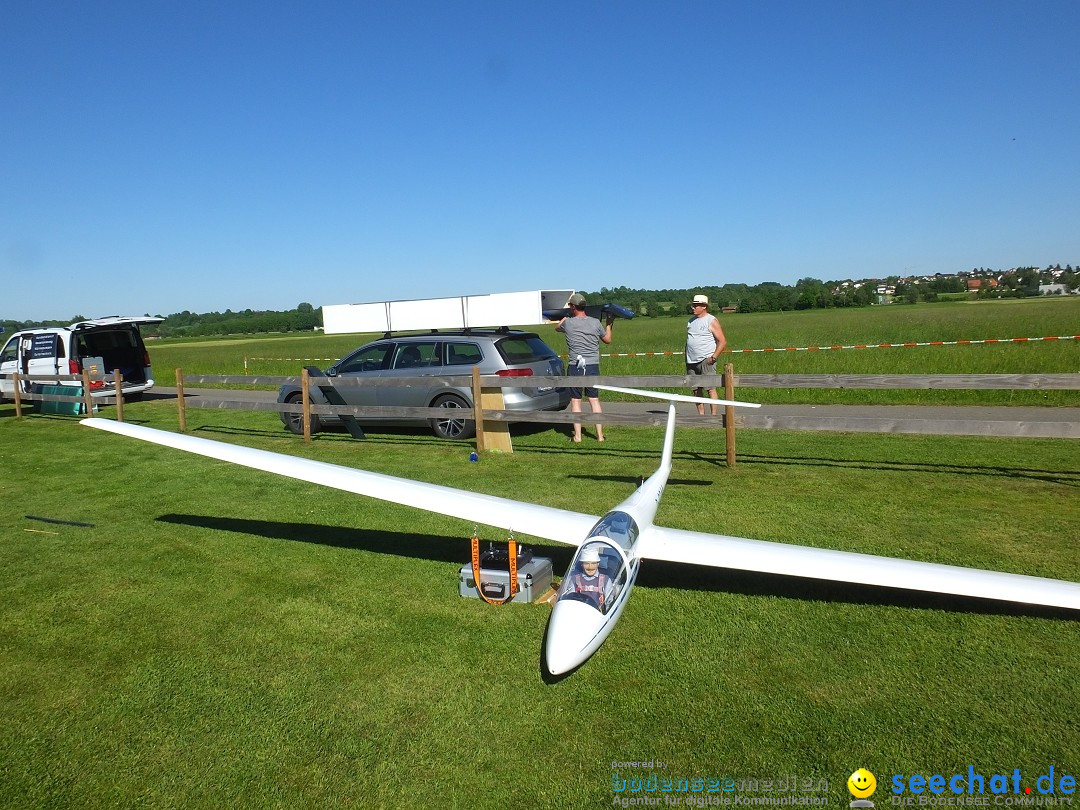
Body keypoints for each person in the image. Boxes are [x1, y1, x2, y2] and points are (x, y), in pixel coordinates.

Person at [556, 292, 613, 442]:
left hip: (575, 366)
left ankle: (578, 437)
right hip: (592, 365)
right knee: (594, 400)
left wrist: (566, 317)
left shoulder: (568, 323)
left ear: (573, 307)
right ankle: (600, 436)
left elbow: (557, 328)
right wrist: (609, 324)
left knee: (576, 401)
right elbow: (607, 340)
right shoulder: (595, 322)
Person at [685, 294, 727, 416]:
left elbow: (722, 341)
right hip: (691, 361)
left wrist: (713, 357)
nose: (693, 307)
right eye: (693, 305)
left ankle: (713, 415)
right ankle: (701, 416)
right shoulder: (691, 321)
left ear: (704, 306)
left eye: (696, 305)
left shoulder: (711, 320)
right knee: (695, 389)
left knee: (710, 388)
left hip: (706, 359)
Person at [559, 546, 612, 610]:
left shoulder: (605, 580)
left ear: (598, 564)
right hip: (578, 610)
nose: (590, 567)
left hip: (597, 613)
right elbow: (569, 599)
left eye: (593, 563)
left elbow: (610, 603)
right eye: (586, 563)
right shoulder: (574, 579)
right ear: (581, 564)